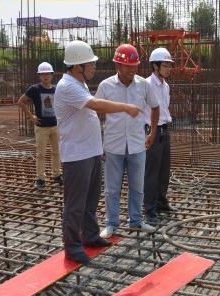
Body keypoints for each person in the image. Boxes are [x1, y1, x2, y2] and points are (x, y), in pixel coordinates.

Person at [54, 40, 142, 265]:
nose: (94, 67)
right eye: (90, 64)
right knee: (75, 205)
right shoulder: (67, 86)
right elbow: (95, 105)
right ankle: (73, 247)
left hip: (91, 152)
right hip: (76, 156)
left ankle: (90, 236)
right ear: (77, 66)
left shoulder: (79, 83)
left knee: (90, 201)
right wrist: (124, 107)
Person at [97, 44, 160, 238]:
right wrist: (99, 141)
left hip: (136, 145)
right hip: (113, 145)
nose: (133, 69)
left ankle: (136, 221)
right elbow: (98, 113)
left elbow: (155, 107)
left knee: (137, 187)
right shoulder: (105, 86)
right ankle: (111, 224)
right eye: (128, 66)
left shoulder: (143, 85)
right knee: (112, 188)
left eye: (135, 66)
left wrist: (152, 133)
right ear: (118, 65)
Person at [144, 47, 176, 225]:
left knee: (164, 170)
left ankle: (161, 202)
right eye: (166, 65)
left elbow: (164, 109)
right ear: (155, 66)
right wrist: (148, 133)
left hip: (164, 128)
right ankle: (149, 209)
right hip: (151, 130)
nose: (169, 68)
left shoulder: (166, 86)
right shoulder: (146, 84)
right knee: (151, 172)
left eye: (170, 65)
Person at [18, 62, 62, 190]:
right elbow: (21, 102)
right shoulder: (35, 89)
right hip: (41, 127)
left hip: (55, 126)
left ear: (52, 75)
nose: (45, 76)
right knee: (41, 154)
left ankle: (57, 174)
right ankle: (40, 178)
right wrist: (31, 117)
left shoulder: (56, 89)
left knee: (57, 152)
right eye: (43, 74)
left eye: (47, 73)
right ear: (39, 76)